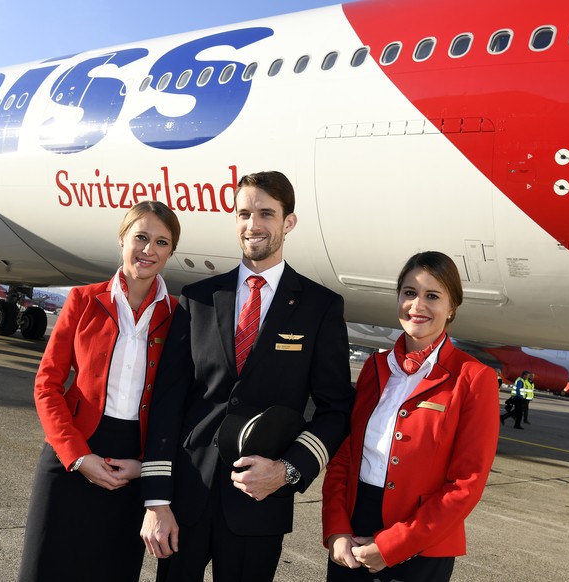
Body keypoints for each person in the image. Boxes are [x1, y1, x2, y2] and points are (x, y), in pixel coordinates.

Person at [139, 170, 354, 581]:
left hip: (260, 500)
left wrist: (287, 470)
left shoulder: (319, 307)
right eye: (243, 213)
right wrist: (156, 499)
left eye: (266, 214)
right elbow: (167, 402)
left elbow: (336, 409)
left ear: (288, 223)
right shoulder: (198, 299)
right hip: (186, 498)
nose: (253, 225)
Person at [18, 201, 181, 581]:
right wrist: (77, 456)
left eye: (161, 242)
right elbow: (47, 384)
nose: (148, 250)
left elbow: (178, 405)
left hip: (132, 468)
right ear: (122, 238)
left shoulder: (178, 316)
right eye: (140, 237)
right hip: (71, 453)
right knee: (43, 569)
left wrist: (147, 467)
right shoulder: (83, 300)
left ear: (170, 252)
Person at [321, 251, 500, 582]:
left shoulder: (474, 378)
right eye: (409, 293)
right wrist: (336, 529)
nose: (417, 306)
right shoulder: (375, 368)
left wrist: (394, 545)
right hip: (352, 537)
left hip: (422, 545)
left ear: (452, 308)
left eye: (432, 296)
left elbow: (466, 484)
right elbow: (345, 458)